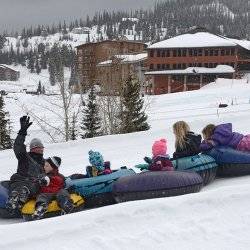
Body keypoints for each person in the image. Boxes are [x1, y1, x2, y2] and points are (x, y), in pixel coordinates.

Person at [6, 116, 46, 213]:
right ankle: (15, 199)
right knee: (27, 186)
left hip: (34, 185)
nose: (41, 149)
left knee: (36, 184)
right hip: (20, 181)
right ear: (32, 149)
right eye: (38, 147)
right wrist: (22, 132)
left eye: (42, 147)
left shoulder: (45, 162)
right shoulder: (25, 157)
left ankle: (18, 200)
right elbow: (18, 147)